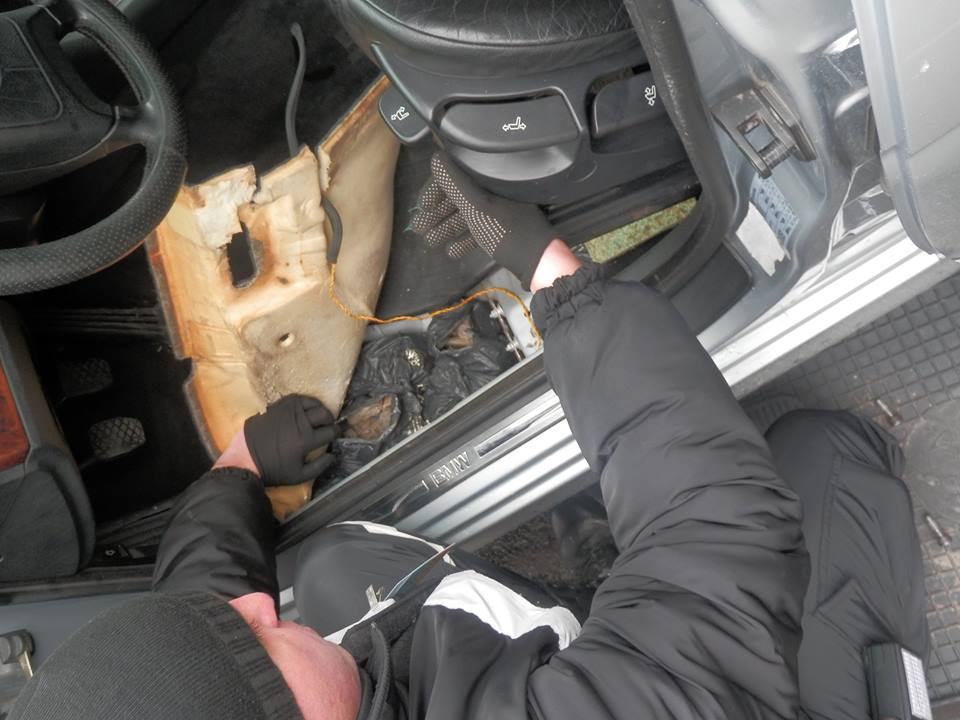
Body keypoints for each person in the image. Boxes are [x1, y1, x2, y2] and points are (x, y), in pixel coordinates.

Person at [10, 155, 929, 720]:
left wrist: (243, 464)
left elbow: (204, 616)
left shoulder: (238, 669)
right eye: (252, 643)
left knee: (324, 577)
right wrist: (557, 281)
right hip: (737, 690)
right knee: (823, 455)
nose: (254, 607)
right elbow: (716, 533)